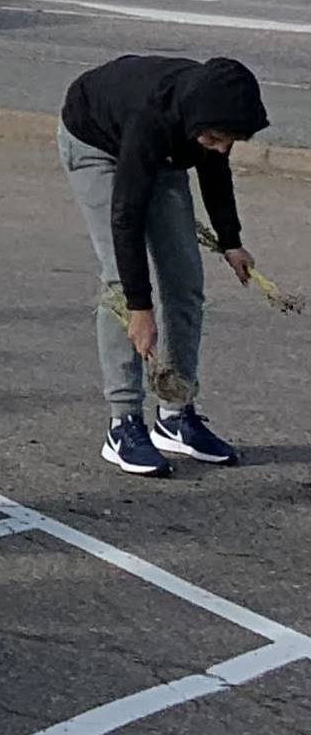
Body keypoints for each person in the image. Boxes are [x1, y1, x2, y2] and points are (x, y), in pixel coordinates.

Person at [59, 54, 268, 476]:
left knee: (186, 280)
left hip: (159, 150)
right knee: (120, 282)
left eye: (230, 141)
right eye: (217, 138)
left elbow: (215, 173)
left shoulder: (208, 112)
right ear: (199, 122)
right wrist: (139, 309)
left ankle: (175, 414)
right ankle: (122, 423)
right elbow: (126, 216)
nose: (222, 148)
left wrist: (231, 241)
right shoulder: (152, 116)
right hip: (95, 144)